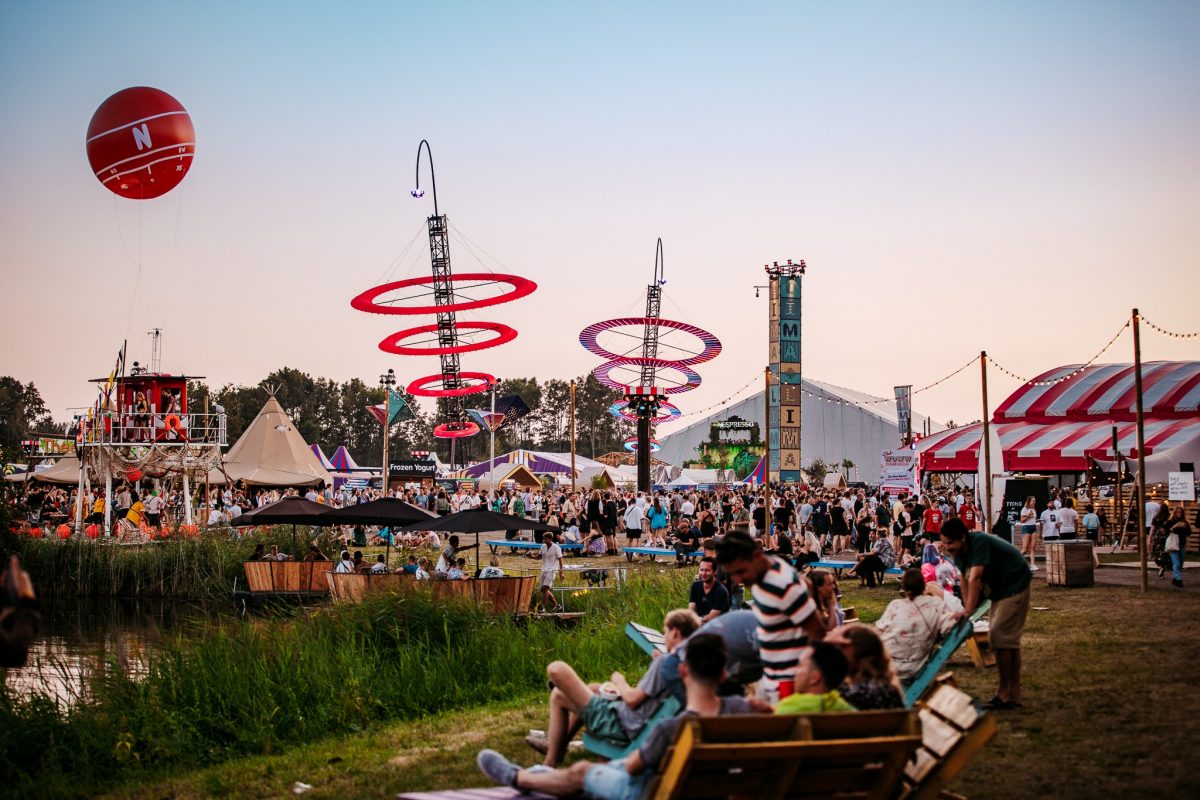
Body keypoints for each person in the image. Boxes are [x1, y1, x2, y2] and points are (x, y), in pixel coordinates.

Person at [477, 632, 757, 798]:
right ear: (723, 674)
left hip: (649, 792)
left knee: (581, 773)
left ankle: (520, 778)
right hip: (715, 789)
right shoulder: (745, 714)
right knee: (586, 769)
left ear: (683, 672)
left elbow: (632, 767)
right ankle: (543, 771)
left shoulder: (674, 728)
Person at [530, 609, 701, 767]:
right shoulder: (688, 663)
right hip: (636, 720)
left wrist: (620, 681)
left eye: (665, 632)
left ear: (675, 632)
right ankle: (554, 755)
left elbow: (633, 701)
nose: (664, 637)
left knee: (557, 670)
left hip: (620, 722)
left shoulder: (666, 662)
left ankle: (552, 758)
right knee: (589, 689)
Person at [715, 531, 824, 701]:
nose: (738, 579)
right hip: (770, 678)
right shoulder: (764, 573)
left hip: (790, 683)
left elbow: (816, 633)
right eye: (733, 574)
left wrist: (806, 684)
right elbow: (806, 584)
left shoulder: (782, 585)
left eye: (741, 571)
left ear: (757, 555)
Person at [939, 517, 1031, 710]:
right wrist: (964, 609)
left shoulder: (978, 542)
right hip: (1000, 589)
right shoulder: (960, 552)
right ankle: (1012, 693)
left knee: (999, 636)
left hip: (1015, 583)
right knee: (1007, 640)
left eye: (950, 542)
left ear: (962, 538)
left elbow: (975, 577)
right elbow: (964, 580)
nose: (947, 547)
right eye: (944, 542)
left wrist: (968, 612)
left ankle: (1005, 693)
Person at [874, 568, 957, 683]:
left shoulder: (896, 605)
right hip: (912, 666)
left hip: (883, 665)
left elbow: (878, 631)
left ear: (904, 587)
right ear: (924, 585)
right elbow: (949, 627)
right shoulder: (936, 604)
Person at [825, 624, 904, 709]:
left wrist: (825, 640)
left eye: (842, 646)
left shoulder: (877, 691)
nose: (835, 652)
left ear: (859, 650)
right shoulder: (877, 687)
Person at [773, 641, 856, 713]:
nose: (794, 671)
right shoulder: (847, 710)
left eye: (800, 665)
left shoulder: (788, 709)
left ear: (814, 677)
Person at [688, 558, 730, 622]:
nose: (703, 573)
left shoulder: (721, 591)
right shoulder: (695, 586)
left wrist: (695, 620)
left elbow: (711, 617)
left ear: (715, 571)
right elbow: (691, 610)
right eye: (701, 570)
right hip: (698, 622)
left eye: (707, 570)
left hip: (718, 625)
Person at [1163, 506, 1190, 588]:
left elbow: (1189, 533)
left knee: (1181, 563)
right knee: (1176, 563)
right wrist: (1174, 527)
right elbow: (1165, 531)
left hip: (1181, 544)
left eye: (1180, 512)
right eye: (1178, 512)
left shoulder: (1185, 522)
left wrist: (1185, 527)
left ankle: (1175, 578)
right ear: (1174, 513)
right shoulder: (1170, 521)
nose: (1179, 514)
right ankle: (1178, 579)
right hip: (1173, 544)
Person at [539, 530, 564, 613]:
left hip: (552, 570)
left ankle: (541, 607)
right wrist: (531, 555)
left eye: (545, 539)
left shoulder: (556, 547)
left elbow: (560, 560)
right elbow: (539, 556)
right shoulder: (543, 546)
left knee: (545, 588)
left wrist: (561, 572)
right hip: (544, 569)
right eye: (543, 539)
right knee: (543, 590)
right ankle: (557, 605)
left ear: (550, 539)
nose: (544, 540)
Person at [1018, 496, 1039, 571]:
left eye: (1034, 500)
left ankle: (1032, 564)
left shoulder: (1033, 509)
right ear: (1029, 501)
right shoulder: (1024, 509)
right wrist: (1028, 516)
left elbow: (1034, 519)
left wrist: (1037, 520)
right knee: (1025, 549)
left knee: (1033, 547)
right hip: (1026, 527)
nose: (1034, 502)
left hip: (1033, 527)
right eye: (1033, 500)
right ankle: (1015, 560)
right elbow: (1022, 520)